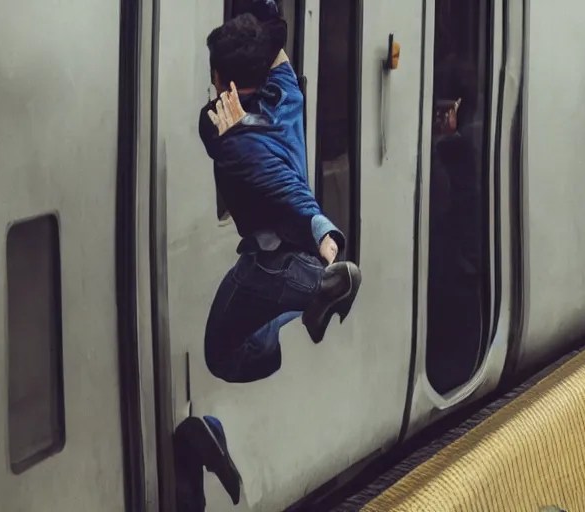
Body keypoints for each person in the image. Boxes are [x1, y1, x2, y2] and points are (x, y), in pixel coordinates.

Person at [172, 3, 362, 509]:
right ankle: (310, 298)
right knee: (266, 341)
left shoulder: (238, 143)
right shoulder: (287, 92)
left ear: (220, 79)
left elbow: (285, 192)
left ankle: (311, 289)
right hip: (295, 253)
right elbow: (276, 49)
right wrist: (264, 20)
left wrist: (324, 234)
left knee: (225, 354)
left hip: (264, 263)